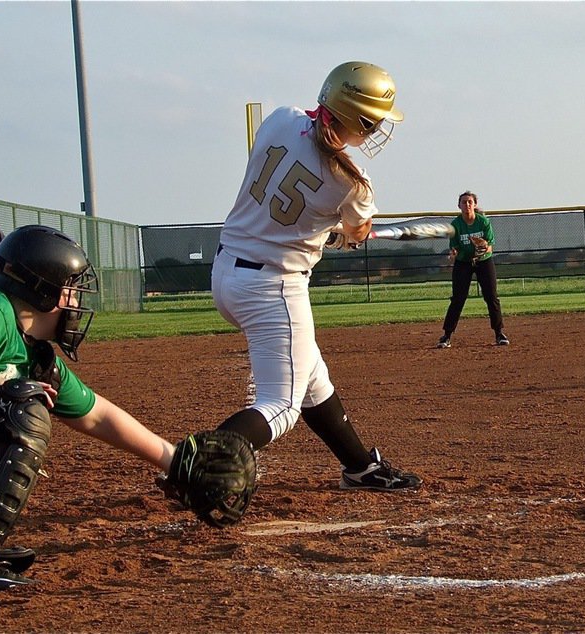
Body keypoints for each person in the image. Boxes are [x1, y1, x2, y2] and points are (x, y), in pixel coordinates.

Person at [211, 61, 421, 492]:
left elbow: (288, 191)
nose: (377, 127)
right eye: (373, 120)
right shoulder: (354, 184)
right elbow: (357, 230)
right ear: (357, 119)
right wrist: (344, 233)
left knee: (310, 376)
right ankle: (189, 461)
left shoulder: (279, 118)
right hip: (272, 289)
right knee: (281, 406)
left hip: (225, 272)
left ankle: (360, 467)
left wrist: (324, 230)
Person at [0, 225, 180, 596]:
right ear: (43, 291)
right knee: (18, 406)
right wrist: (2, 387)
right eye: (72, 291)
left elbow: (97, 415)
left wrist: (173, 460)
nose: (76, 304)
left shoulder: (32, 355)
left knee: (18, 400)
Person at [435, 191, 508, 348]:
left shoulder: (483, 222)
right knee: (458, 299)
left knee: (491, 296)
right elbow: (454, 248)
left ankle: (499, 333)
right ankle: (446, 336)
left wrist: (484, 249)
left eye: (470, 202)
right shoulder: (456, 225)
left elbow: (489, 246)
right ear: (459, 205)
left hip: (483, 261)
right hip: (463, 262)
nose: (467, 205)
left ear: (474, 205)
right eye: (464, 202)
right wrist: (453, 253)